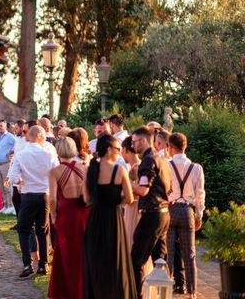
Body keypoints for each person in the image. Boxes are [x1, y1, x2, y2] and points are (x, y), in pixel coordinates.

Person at [83, 133, 137, 298]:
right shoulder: (119, 170)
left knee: (95, 260)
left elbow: (86, 198)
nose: (119, 152)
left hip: (95, 219)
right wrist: (116, 200)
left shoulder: (90, 170)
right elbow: (130, 198)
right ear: (108, 150)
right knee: (115, 260)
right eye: (117, 149)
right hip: (113, 219)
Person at [8, 124, 59, 277]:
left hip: (28, 194)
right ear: (40, 136)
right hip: (44, 194)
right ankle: (43, 265)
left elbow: (12, 178)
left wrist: (21, 180)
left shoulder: (21, 155)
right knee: (42, 230)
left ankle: (27, 264)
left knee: (24, 230)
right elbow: (56, 173)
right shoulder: (49, 154)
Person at [130, 126, 172, 297]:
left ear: (144, 141)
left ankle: (136, 295)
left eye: (134, 142)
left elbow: (143, 190)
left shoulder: (148, 160)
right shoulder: (161, 159)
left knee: (136, 260)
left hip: (152, 214)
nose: (133, 145)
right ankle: (162, 296)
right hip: (164, 213)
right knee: (160, 261)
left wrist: (125, 182)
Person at [48, 138, 89, 299]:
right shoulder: (84, 168)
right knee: (82, 252)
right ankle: (82, 288)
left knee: (66, 253)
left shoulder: (55, 171)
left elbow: (52, 199)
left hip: (67, 214)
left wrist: (53, 216)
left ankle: (65, 291)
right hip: (84, 212)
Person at [167, 132, 205, 298]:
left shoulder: (166, 165)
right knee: (189, 252)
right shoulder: (196, 168)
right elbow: (200, 194)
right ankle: (192, 292)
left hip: (170, 209)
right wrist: (199, 215)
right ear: (185, 146)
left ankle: (167, 287)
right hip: (188, 210)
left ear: (171, 147)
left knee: (168, 251)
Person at [0, 120, 16, 214]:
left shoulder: (10, 137)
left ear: (5, 127)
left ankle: (10, 206)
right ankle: (5, 206)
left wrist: (10, 153)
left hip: (6, 164)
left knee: (7, 186)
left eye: (1, 126)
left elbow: (17, 145)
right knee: (1, 188)